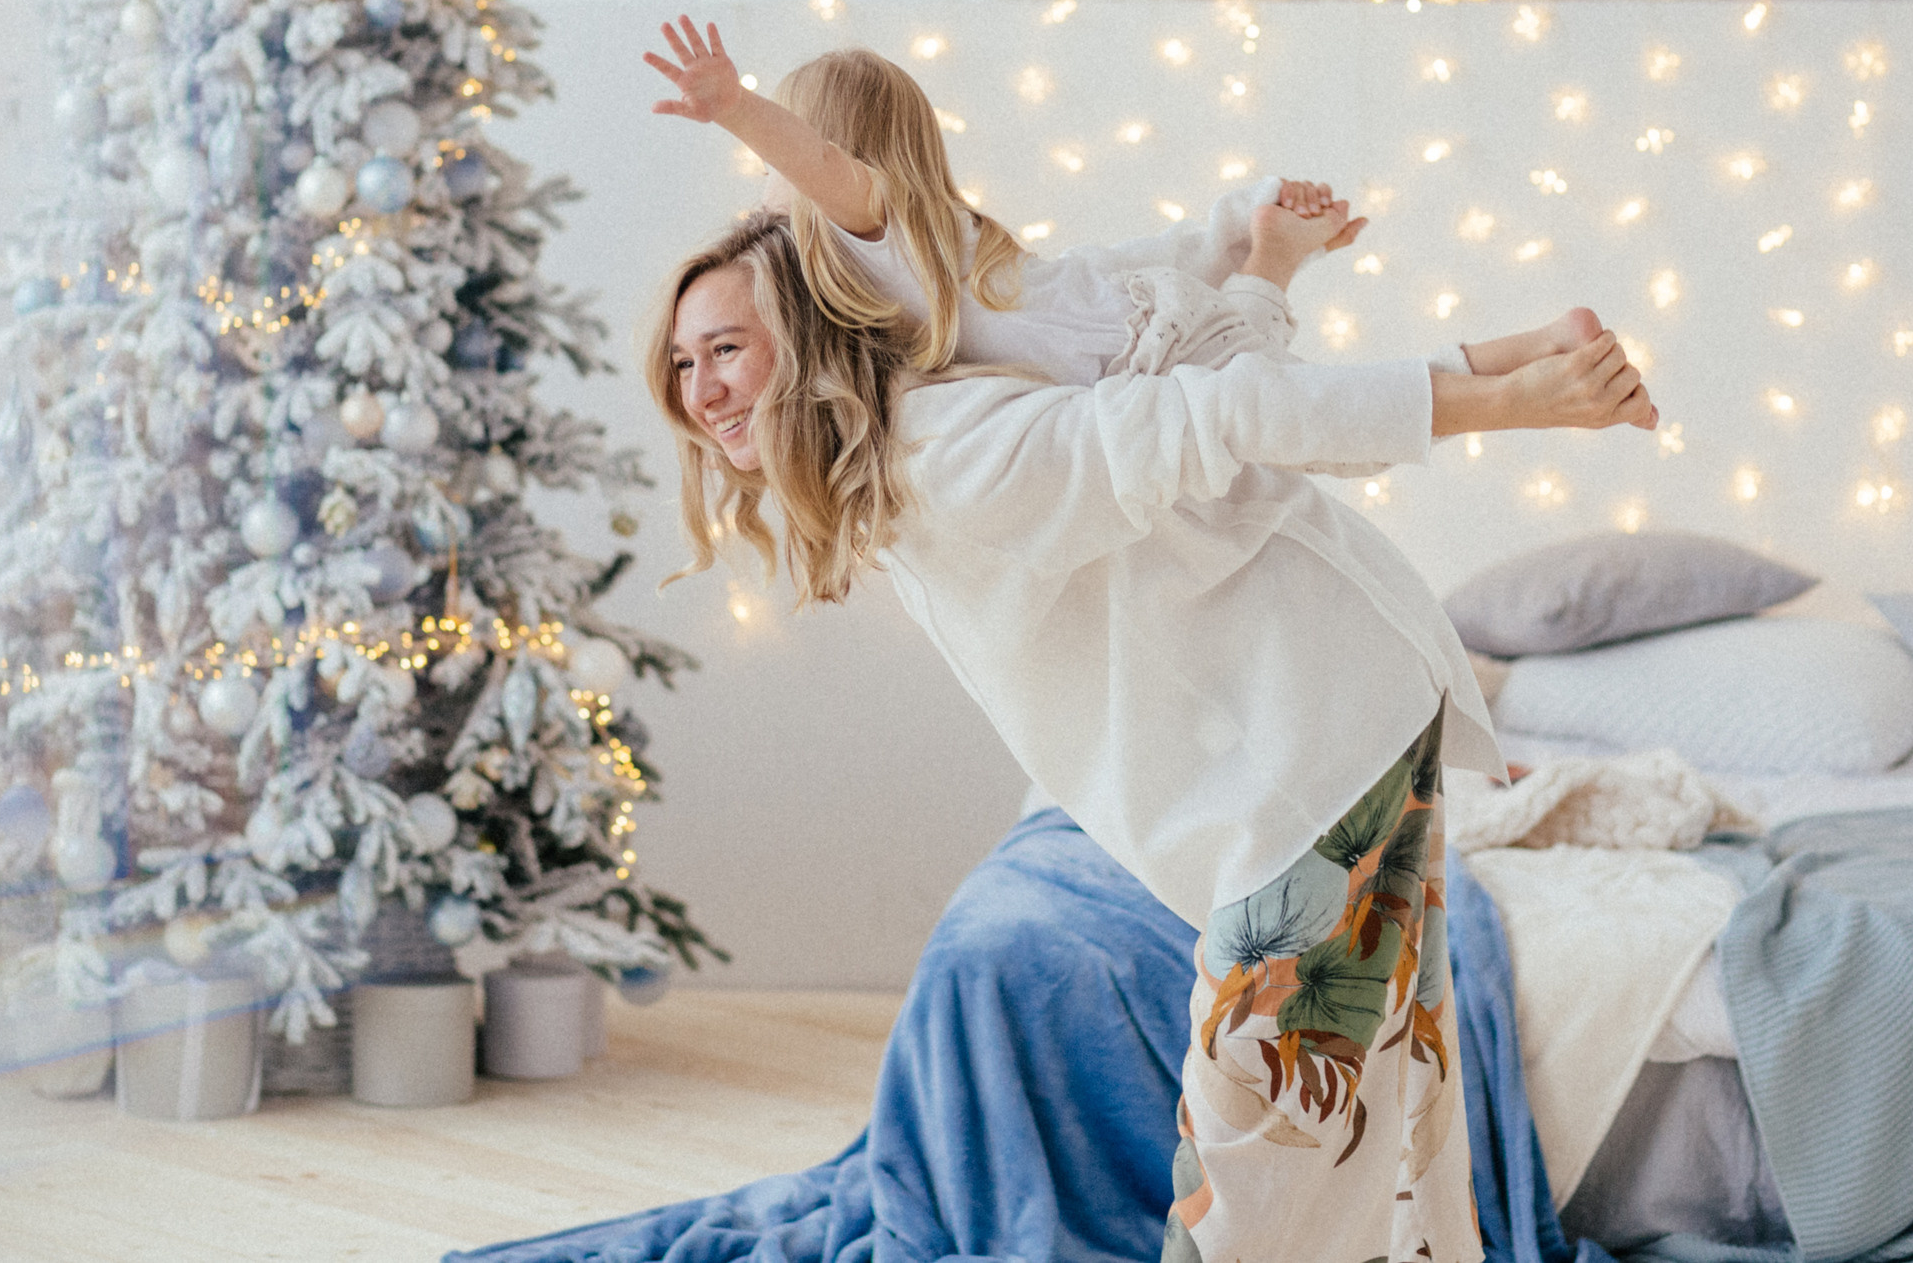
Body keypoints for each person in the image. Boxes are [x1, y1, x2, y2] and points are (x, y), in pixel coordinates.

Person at [645, 210, 1655, 1263]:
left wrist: (1504, 402)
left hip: (1310, 764)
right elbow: (1128, 296)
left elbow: (1233, 410)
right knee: (1372, 1126)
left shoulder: (954, 449)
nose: (700, 390)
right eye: (682, 361)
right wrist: (1255, 246)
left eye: (727, 349)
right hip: (1317, 743)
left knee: (1256, 1156)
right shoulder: (893, 471)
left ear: (808, 340)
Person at [643, 17, 1626, 401]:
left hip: (1148, 352)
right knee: (1324, 395)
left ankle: (1519, 384)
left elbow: (819, 167)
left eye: (779, 167)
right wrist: (1233, 219)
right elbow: (1120, 264)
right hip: (1134, 316)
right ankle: (1541, 337)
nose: (766, 196)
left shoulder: (874, 229)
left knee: (1320, 416)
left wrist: (735, 108)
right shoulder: (931, 256)